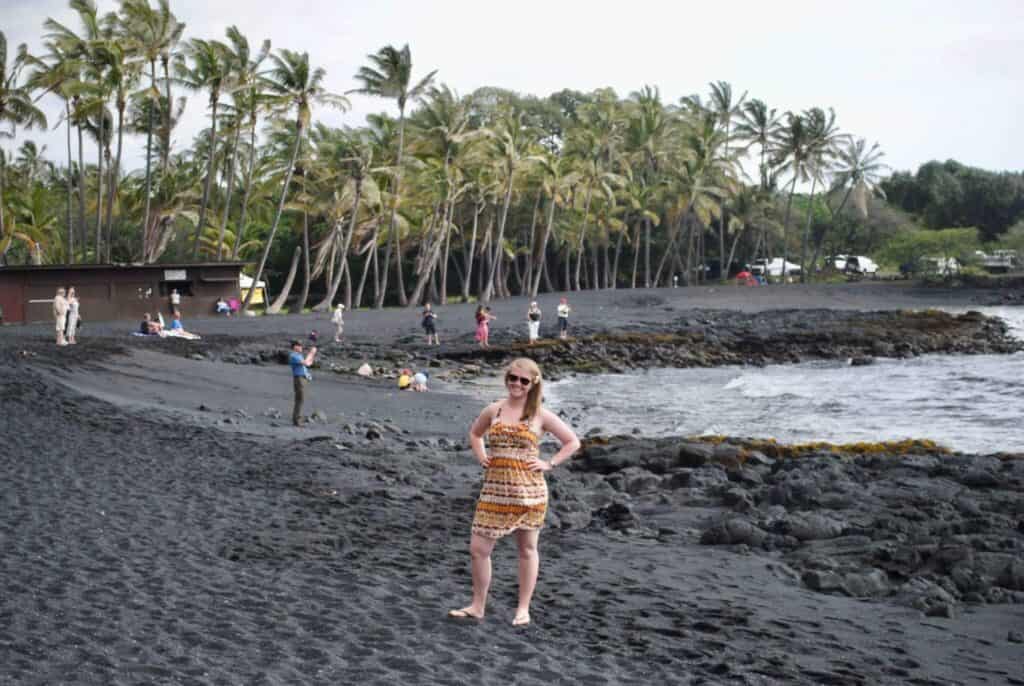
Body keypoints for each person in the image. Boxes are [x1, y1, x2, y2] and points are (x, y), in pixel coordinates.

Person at [449, 358, 580, 626]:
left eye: (523, 380)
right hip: (494, 491)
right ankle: (477, 605)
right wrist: (482, 457)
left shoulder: (541, 415)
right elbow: (475, 434)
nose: (516, 384)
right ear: (507, 378)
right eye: (512, 378)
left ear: (533, 384)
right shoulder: (494, 409)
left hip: (529, 493)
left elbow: (572, 442)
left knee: (527, 550)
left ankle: (523, 609)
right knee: (478, 549)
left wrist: (549, 463)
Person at [289, 340, 317, 427]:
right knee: (299, 400)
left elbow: (308, 364)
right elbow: (305, 363)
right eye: (299, 345)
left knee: (301, 399)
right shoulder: (293, 355)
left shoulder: (299, 355)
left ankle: (297, 419)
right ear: (295, 347)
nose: (301, 347)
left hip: (303, 378)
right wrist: (311, 353)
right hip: (299, 379)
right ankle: (296, 420)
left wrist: (312, 354)